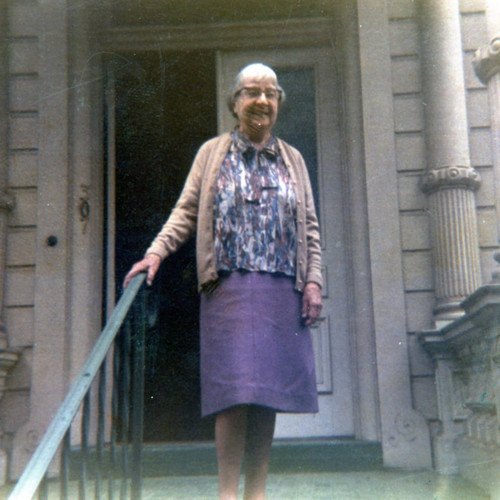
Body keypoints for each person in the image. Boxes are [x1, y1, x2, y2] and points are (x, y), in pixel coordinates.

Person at [124, 62, 322, 500]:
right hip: (227, 287)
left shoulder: (294, 160)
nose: (262, 101)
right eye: (251, 92)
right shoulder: (212, 153)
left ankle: (257, 492)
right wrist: (155, 252)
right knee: (234, 392)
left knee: (267, 393)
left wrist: (314, 282)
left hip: (281, 287)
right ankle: (227, 494)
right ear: (234, 103)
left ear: (279, 103)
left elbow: (309, 226)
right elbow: (186, 211)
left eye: (271, 93)